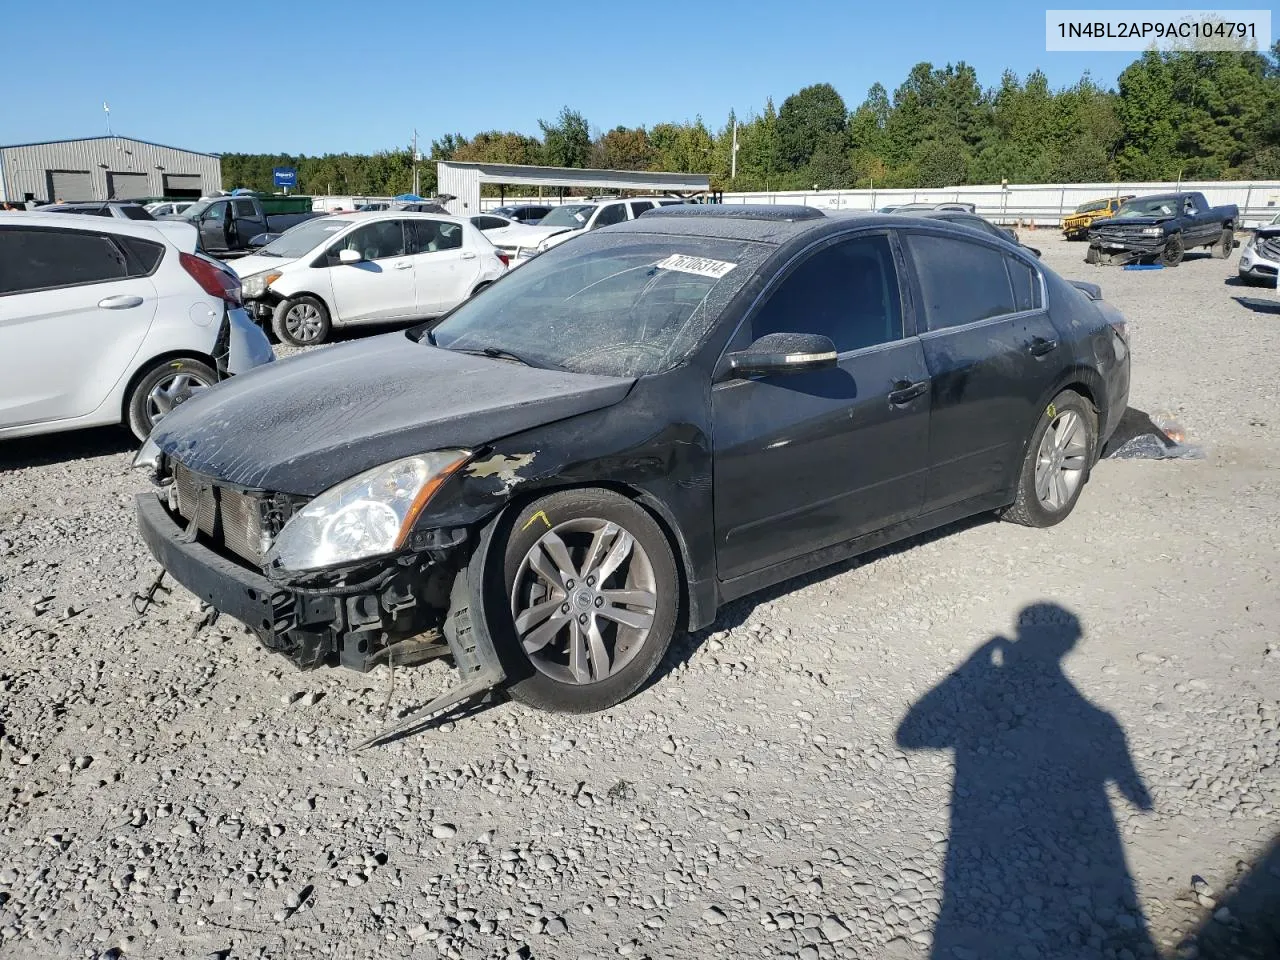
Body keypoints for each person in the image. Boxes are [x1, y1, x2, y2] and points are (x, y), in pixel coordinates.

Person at [897, 603, 1156, 960]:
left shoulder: (1096, 719)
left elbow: (910, 735)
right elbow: (908, 737)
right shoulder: (1097, 720)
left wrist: (978, 660)